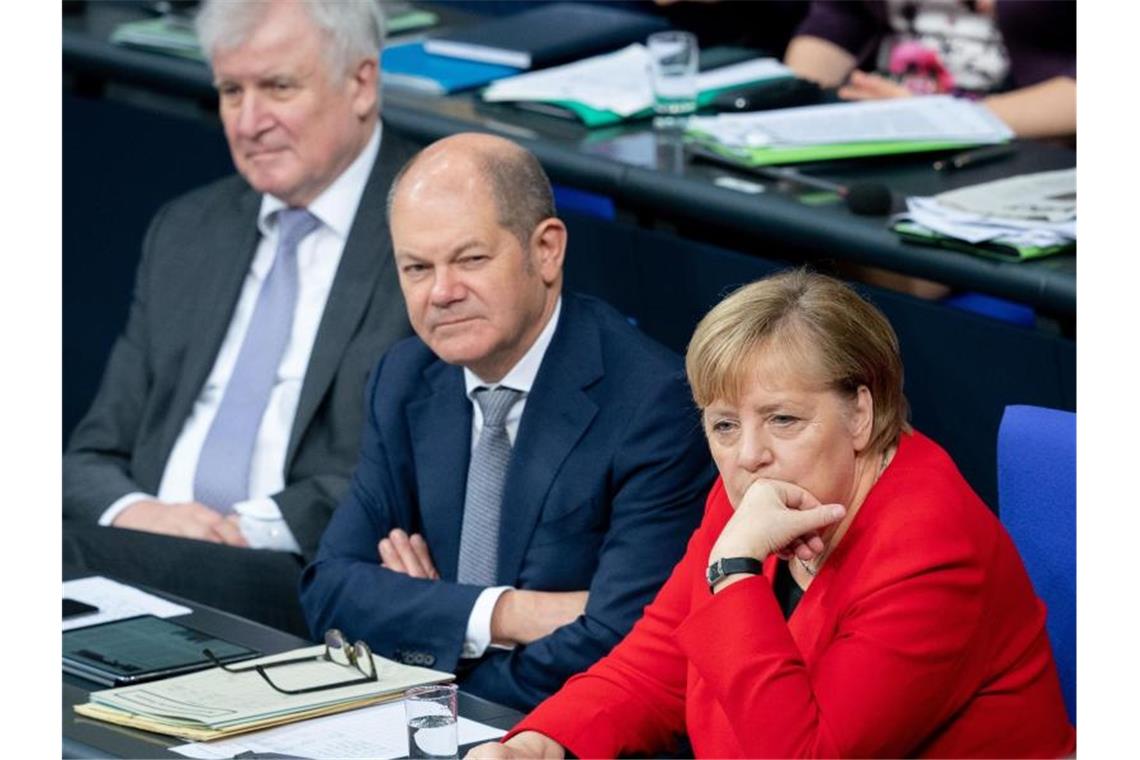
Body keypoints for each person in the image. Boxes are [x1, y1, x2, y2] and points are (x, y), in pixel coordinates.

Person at [470, 270, 1076, 758]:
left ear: (861, 414)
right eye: (724, 425)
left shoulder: (930, 548)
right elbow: (660, 662)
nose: (749, 455)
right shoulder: (757, 491)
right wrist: (541, 741)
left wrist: (733, 572)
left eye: (784, 419)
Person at [299, 133, 714, 711]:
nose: (441, 292)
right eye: (417, 268)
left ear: (546, 250)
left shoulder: (654, 403)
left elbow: (621, 644)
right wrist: (505, 613)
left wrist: (429, 630)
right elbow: (331, 592)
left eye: (470, 259)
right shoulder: (405, 376)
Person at [62, 0, 419, 635]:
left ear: (361, 83)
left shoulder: (427, 231)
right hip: (144, 539)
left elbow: (412, 474)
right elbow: (92, 451)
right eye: (231, 91)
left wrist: (238, 530)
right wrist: (137, 513)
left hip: (296, 567)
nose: (250, 122)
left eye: (278, 87)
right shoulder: (188, 229)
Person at [785, 0, 1076, 139]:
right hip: (885, 120)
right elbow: (837, 20)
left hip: (1017, 139)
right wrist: (791, 106)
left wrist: (938, 119)